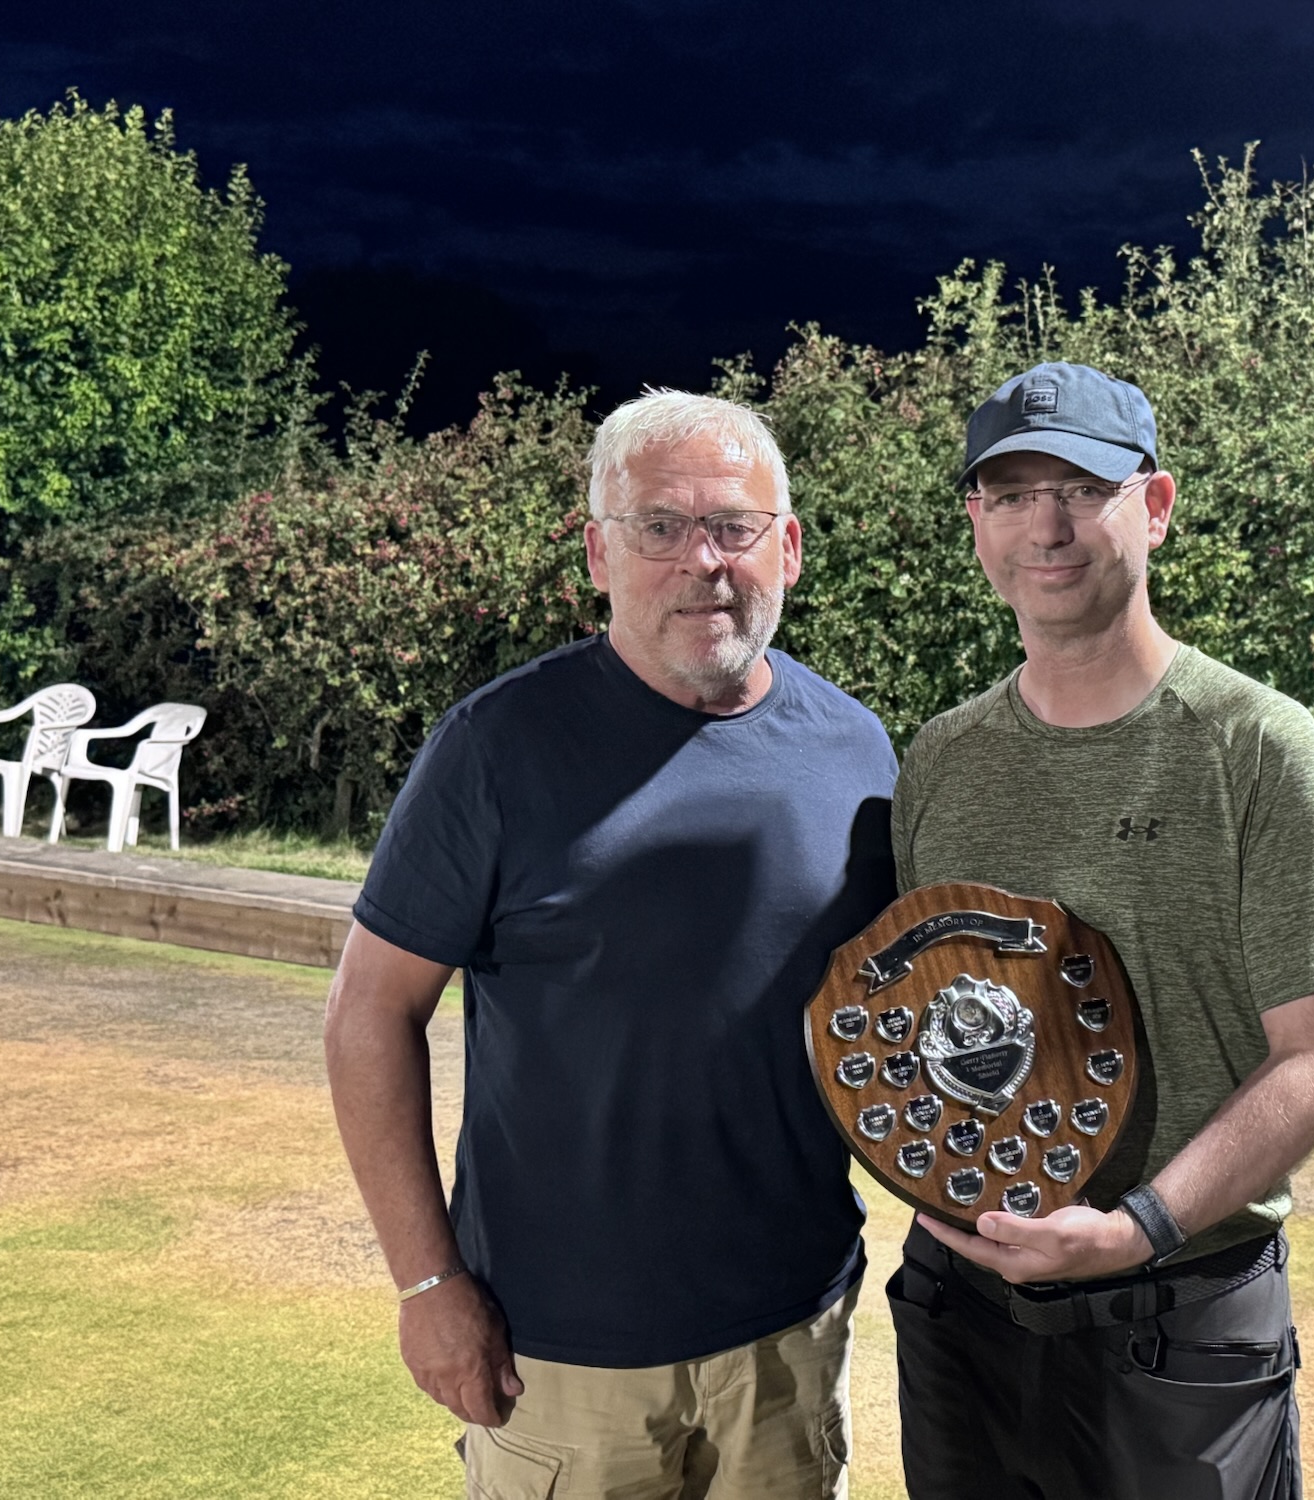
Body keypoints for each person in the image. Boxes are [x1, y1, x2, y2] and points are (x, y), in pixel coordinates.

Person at [324, 390, 897, 1500]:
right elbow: (369, 1011)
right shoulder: (496, 748)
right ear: (598, 552)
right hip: (558, 1352)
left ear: (787, 549)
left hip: (788, 1331)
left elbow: (893, 1007)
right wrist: (425, 1282)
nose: (703, 561)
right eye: (659, 527)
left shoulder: (857, 753)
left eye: (733, 526)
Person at [887, 362, 1314, 1500]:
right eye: (1009, 494)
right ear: (976, 522)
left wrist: (1135, 1228)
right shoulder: (939, 761)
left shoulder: (1255, 748)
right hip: (960, 1306)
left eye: (1080, 486)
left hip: (1181, 1317)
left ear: (1153, 506)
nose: (1044, 525)